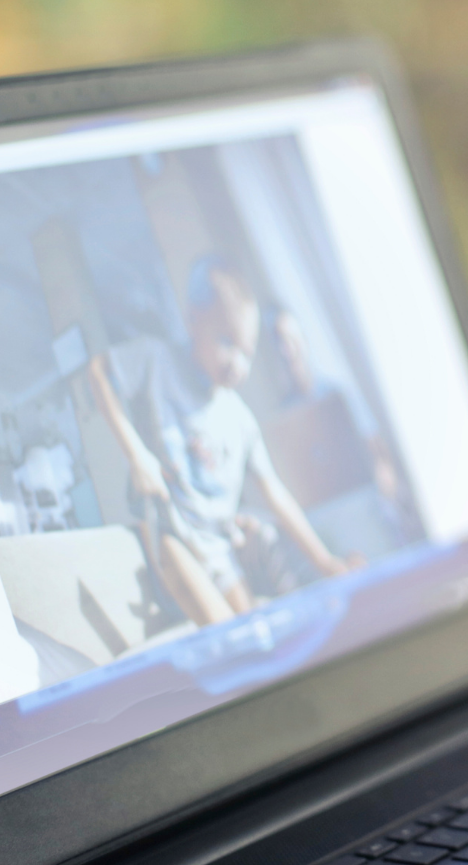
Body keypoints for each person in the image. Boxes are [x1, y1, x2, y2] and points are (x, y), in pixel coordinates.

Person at [88, 255, 357, 627]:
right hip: (171, 534)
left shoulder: (241, 420)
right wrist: (137, 456)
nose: (237, 362)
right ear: (193, 319)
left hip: (220, 550)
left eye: (246, 352)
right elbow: (99, 371)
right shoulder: (157, 361)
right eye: (226, 341)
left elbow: (275, 493)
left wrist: (325, 562)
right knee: (226, 634)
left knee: (256, 633)